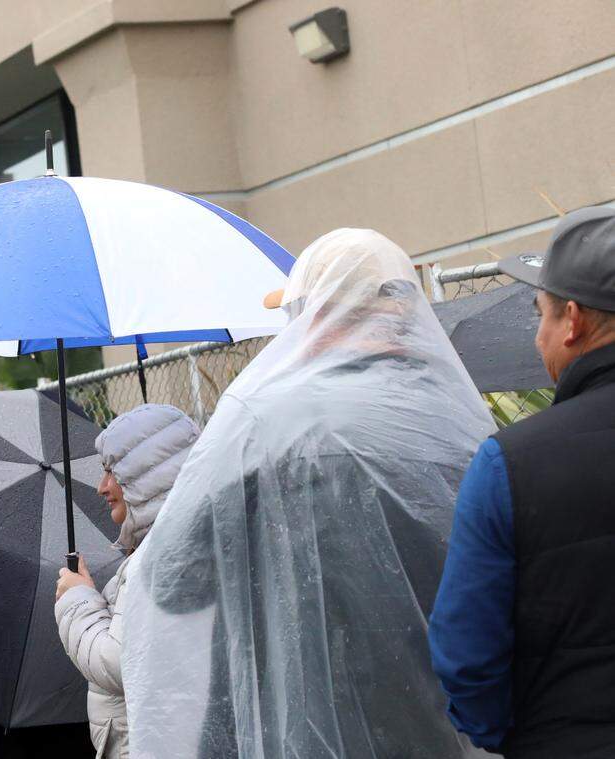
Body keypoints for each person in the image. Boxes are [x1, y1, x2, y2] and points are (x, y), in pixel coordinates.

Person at [121, 229, 495, 758]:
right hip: (438, 727)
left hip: (301, 725)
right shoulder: (457, 419)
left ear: (317, 311)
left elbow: (171, 579)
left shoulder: (268, 419)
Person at [429, 206, 615, 758]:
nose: (539, 338)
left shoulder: (510, 463)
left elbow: (467, 650)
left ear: (574, 320)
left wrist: (511, 735)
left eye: (542, 316)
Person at [54, 403, 200, 758]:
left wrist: (77, 601)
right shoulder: (173, 545)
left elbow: (121, 662)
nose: (102, 487)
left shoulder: (161, 557)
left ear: (146, 474)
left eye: (112, 472)